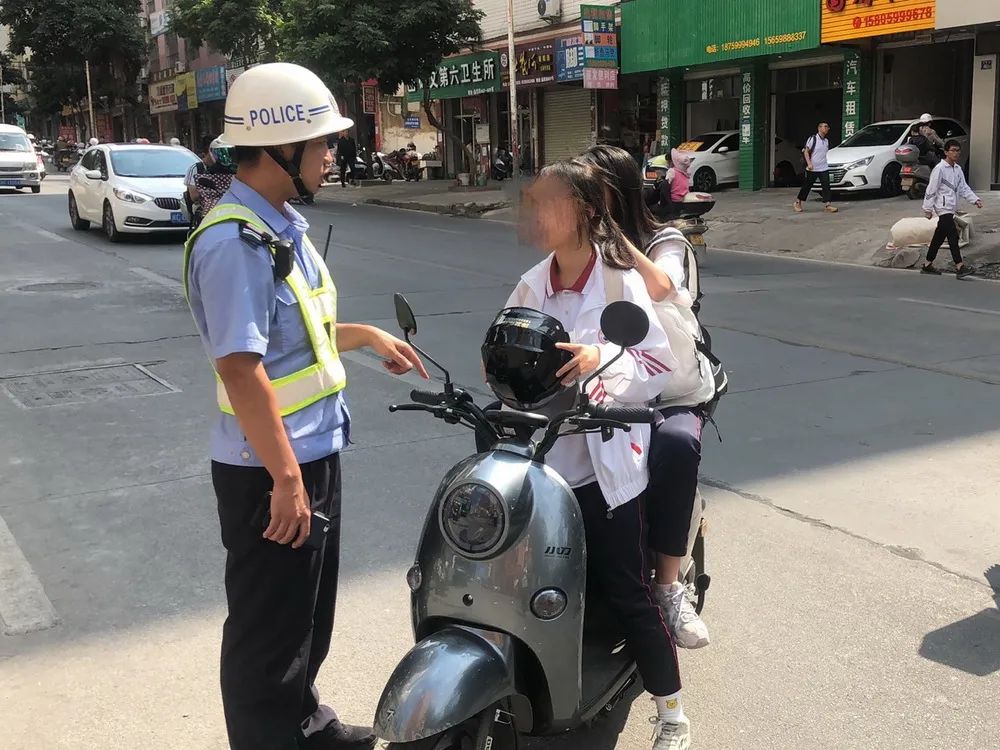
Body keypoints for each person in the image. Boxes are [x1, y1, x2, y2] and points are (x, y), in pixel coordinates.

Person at [182, 62, 429, 750]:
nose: (331, 155)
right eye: (321, 143)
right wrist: (286, 479)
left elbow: (299, 337)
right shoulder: (234, 242)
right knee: (269, 638)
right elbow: (240, 368)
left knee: (306, 620)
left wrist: (364, 336)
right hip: (271, 469)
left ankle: (306, 726)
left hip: (309, 453)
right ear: (278, 147)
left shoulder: (279, 224)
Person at [513, 158, 691, 750]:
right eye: (534, 201)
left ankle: (672, 715)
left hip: (604, 471)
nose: (537, 214)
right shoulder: (533, 282)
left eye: (549, 202)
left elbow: (656, 362)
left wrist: (600, 363)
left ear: (586, 211)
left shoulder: (620, 282)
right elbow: (505, 345)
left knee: (627, 590)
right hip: (544, 466)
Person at [580, 144, 712, 650]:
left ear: (617, 191)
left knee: (675, 447)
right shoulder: (580, 245)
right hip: (609, 382)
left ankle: (668, 586)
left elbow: (661, 287)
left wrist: (610, 235)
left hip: (671, 390)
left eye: (592, 191)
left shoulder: (666, 240)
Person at [921, 139, 983, 279]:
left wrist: (975, 199)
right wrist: (927, 208)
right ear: (946, 152)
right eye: (953, 150)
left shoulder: (957, 169)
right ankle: (959, 266)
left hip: (951, 207)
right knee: (953, 235)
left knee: (939, 236)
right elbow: (931, 189)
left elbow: (963, 188)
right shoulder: (940, 169)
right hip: (943, 208)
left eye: (957, 150)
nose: (956, 153)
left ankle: (927, 264)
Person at [793, 122, 838, 214]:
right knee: (807, 186)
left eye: (827, 127)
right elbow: (806, 152)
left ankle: (827, 205)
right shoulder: (813, 139)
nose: (826, 128)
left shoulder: (826, 141)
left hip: (824, 167)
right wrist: (809, 163)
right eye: (824, 127)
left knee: (826, 186)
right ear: (819, 128)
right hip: (813, 168)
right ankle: (798, 202)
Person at [656, 148, 692, 219]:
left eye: (669, 161)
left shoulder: (672, 171)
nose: (668, 163)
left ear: (673, 162)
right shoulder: (687, 173)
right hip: (683, 200)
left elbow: (665, 186)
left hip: (673, 201)